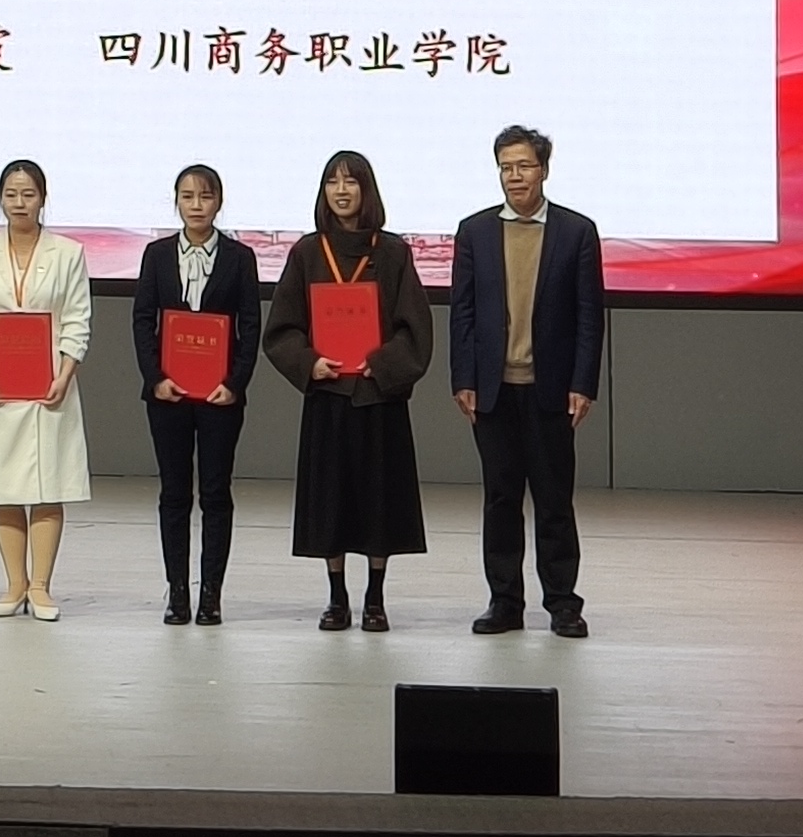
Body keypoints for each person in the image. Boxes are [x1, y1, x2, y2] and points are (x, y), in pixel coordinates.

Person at [265, 148, 433, 632]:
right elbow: (282, 329)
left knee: (380, 500)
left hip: (378, 396)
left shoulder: (393, 252)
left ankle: (375, 597)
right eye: (332, 182)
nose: (341, 191)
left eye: (350, 181)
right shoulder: (307, 252)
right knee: (329, 500)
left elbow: (415, 329)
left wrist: (381, 364)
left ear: (366, 190)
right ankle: (336, 596)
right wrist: (309, 363)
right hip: (329, 394)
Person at [449, 123, 604, 638]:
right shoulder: (474, 231)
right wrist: (463, 377)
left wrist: (583, 383)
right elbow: (463, 312)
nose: (515, 176)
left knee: (554, 501)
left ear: (544, 171)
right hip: (493, 389)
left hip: (551, 389)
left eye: (524, 166)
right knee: (500, 499)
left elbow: (589, 315)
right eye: (506, 167)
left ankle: (562, 603)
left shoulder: (575, 232)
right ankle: (504, 603)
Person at [0, 158, 94, 618]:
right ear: (0, 198)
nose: (19, 203)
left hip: (49, 384)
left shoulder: (68, 253)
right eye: (11, 194)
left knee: (49, 482)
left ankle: (41, 587)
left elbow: (77, 318)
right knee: (5, 486)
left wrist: (65, 373)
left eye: (28, 194)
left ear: (43, 199)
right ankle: (14, 584)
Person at [133, 163, 264, 625]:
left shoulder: (239, 257)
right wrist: (155, 378)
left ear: (219, 202)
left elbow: (251, 325)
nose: (196, 205)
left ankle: (211, 594)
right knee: (174, 493)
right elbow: (143, 320)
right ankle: (177, 592)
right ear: (176, 202)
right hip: (167, 395)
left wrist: (235, 383)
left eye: (205, 197)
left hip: (219, 398)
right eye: (187, 197)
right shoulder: (156, 254)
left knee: (215, 493)